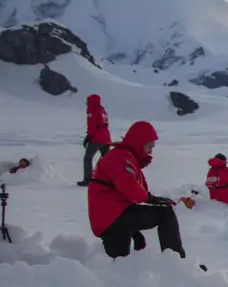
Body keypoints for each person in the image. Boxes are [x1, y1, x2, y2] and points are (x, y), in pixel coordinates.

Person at [87, 121, 188, 260]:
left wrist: (134, 231)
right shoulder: (121, 157)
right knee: (165, 214)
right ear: (139, 142)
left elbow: (121, 196)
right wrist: (150, 198)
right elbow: (128, 186)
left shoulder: (122, 156)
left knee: (118, 265)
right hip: (113, 219)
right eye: (149, 146)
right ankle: (178, 262)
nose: (151, 151)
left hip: (111, 220)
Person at [79, 94, 111, 186]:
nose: (87, 104)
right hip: (106, 137)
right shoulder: (102, 110)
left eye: (88, 101)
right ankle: (109, 178)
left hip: (97, 137)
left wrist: (89, 136)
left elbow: (92, 123)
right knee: (107, 159)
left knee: (88, 158)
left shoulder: (91, 109)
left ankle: (88, 179)